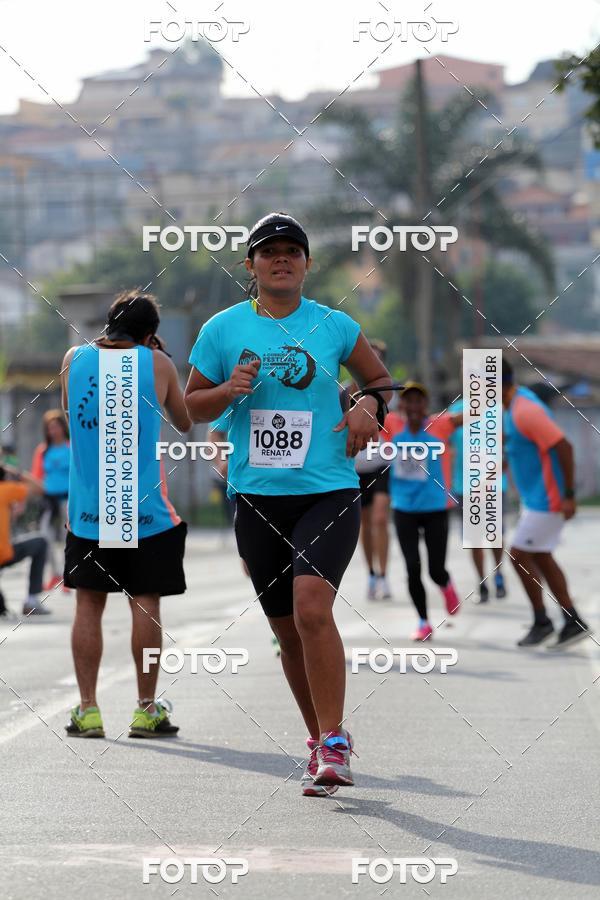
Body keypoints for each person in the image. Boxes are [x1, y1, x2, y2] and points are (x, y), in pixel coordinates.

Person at [185, 212, 392, 795]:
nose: (281, 259)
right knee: (285, 630)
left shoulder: (334, 325)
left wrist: (367, 410)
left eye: (292, 251)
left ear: (307, 264)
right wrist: (228, 392)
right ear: (249, 266)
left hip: (326, 490)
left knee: (310, 607)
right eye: (268, 251)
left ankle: (334, 740)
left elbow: (380, 383)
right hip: (256, 498)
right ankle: (319, 742)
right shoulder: (221, 330)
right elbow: (192, 406)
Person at [60, 290, 192, 738]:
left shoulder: (73, 359)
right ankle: (145, 708)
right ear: (151, 334)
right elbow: (185, 420)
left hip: (89, 512)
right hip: (144, 511)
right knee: (145, 603)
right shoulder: (158, 364)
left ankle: (88, 709)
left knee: (88, 604)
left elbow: (71, 414)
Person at [502, 360, 590, 649]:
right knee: (540, 556)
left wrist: (568, 495)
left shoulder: (526, 409)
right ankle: (570, 620)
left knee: (518, 554)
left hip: (548, 498)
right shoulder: (510, 408)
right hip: (535, 498)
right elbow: (518, 447)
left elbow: (564, 446)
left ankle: (544, 621)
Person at [385, 382, 461, 640]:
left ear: (425, 405)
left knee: (435, 569)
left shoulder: (440, 425)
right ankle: (423, 621)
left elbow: (469, 416)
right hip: (403, 508)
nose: (414, 406)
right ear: (402, 405)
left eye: (419, 401)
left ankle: (446, 585)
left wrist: (484, 394)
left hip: (435, 507)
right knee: (412, 567)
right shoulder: (393, 425)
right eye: (409, 401)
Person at [345, 340, 393, 601]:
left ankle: (385, 576)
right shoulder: (345, 392)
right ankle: (372, 574)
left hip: (381, 464)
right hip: (355, 467)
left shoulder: (390, 392)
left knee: (380, 520)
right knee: (364, 523)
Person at [448, 397, 507, 603]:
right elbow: (445, 443)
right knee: (474, 538)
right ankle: (482, 580)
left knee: (494, 534)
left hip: (493, 485)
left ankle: (498, 574)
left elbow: (506, 448)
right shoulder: (456, 410)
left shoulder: (498, 409)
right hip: (465, 485)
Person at [0, 463, 49, 616]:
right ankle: (32, 600)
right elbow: (40, 488)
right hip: (3, 554)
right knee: (41, 543)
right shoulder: (5, 489)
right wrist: (18, 473)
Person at [31, 410, 70, 591]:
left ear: (63, 427)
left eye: (56, 426)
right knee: (45, 536)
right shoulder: (43, 451)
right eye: (49, 428)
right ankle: (54, 574)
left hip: (68, 498)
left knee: (67, 538)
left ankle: (69, 576)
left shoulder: (71, 447)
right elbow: (36, 476)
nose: (53, 431)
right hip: (49, 499)